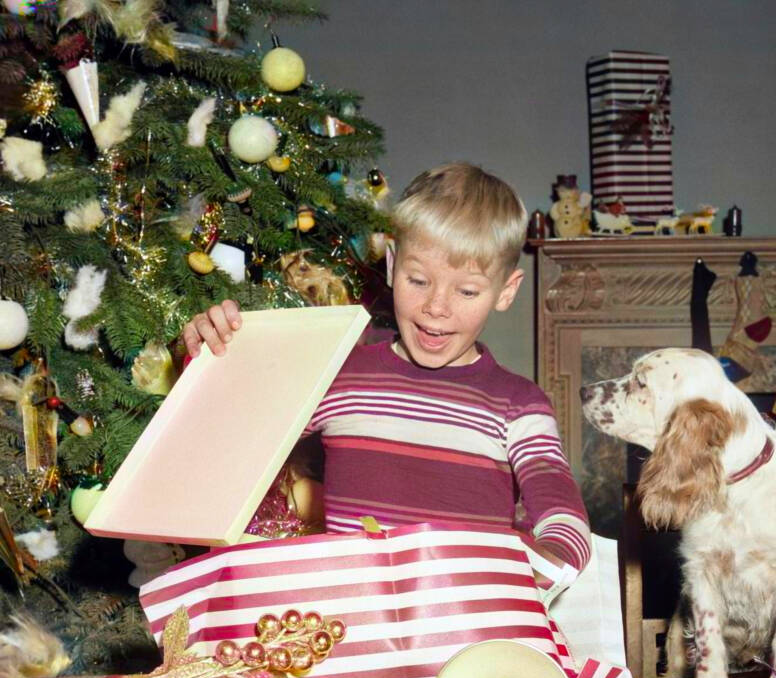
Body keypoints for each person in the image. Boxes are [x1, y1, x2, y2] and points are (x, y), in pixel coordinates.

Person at [181, 163, 591, 577]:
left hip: (467, 627)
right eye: (418, 280)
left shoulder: (519, 405)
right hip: (350, 623)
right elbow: (231, 433)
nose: (437, 306)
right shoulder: (340, 377)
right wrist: (213, 349)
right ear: (393, 266)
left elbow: (564, 519)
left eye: (466, 291)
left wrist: (530, 575)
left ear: (505, 291)